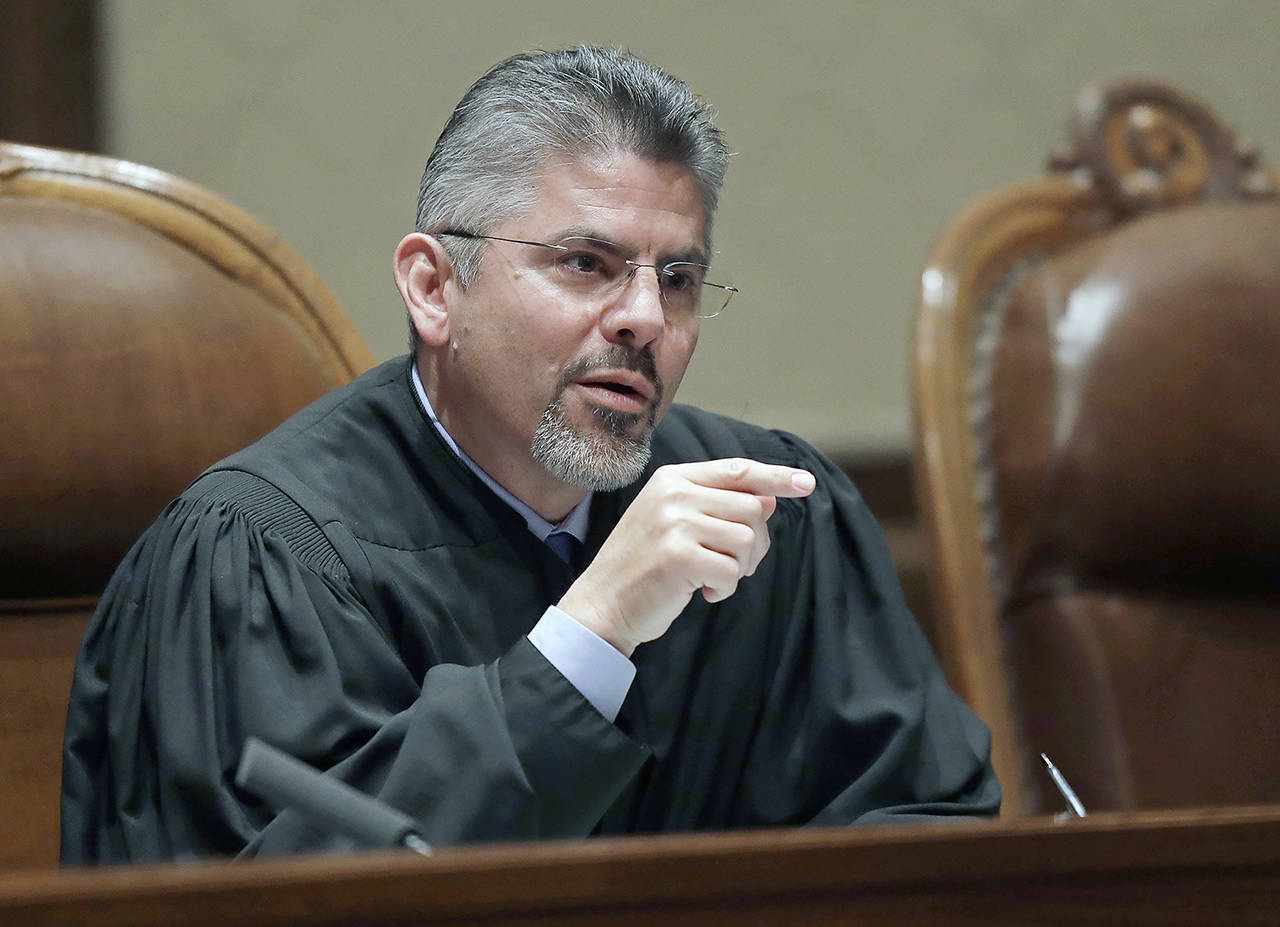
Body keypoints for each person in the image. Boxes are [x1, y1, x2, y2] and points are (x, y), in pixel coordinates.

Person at [60, 46, 999, 863]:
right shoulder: (264, 556)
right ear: (435, 288)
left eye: (678, 278)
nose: (643, 316)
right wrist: (590, 633)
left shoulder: (772, 517)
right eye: (586, 263)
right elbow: (296, 896)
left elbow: (922, 837)